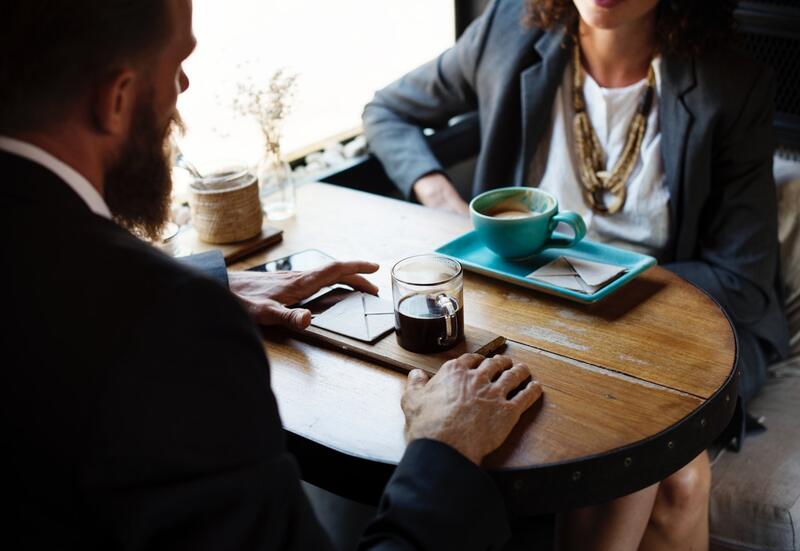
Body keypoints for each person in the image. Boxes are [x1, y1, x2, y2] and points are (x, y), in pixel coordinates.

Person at [0, 1, 545, 549]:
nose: (183, 88)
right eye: (177, 64)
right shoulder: (169, 332)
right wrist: (444, 449)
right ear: (115, 100)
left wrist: (215, 283)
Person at [362, 0, 791, 549]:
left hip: (677, 325)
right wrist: (438, 194)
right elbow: (386, 111)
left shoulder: (732, 84)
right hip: (539, 319)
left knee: (668, 480)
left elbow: (742, 281)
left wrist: (585, 287)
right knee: (678, 480)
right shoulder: (503, 32)